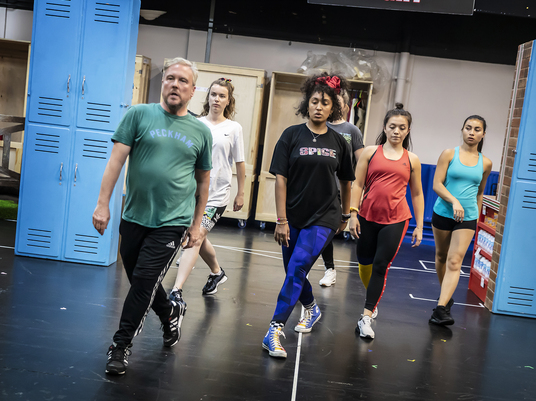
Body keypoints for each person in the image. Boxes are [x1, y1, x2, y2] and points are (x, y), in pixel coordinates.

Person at [92, 57, 212, 375]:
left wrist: (197, 224)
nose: (175, 84)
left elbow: (203, 181)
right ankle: (169, 312)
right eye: (170, 78)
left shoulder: (201, 132)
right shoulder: (139, 115)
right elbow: (115, 162)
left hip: (171, 222)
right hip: (134, 216)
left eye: (182, 81)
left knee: (143, 282)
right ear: (163, 83)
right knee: (139, 279)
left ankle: (120, 347)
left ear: (193, 90)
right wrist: (103, 204)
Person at [263, 74, 355, 358]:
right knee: (293, 270)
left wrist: (345, 215)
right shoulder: (291, 135)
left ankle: (274, 330)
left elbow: (346, 182)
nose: (318, 107)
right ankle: (312, 308)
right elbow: (280, 179)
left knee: (298, 267)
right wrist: (281, 219)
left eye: (325, 103)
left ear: (333, 109)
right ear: (307, 104)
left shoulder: (340, 142)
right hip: (292, 216)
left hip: (324, 216)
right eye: (314, 101)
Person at [349, 103, 425, 339]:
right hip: (367, 216)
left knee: (381, 266)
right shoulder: (370, 153)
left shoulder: (412, 159)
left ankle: (366, 316)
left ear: (408, 130)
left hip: (396, 220)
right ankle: (373, 298)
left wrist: (420, 226)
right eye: (392, 126)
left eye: (402, 128)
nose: (396, 131)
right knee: (365, 262)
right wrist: (352, 214)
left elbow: (417, 194)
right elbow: (357, 184)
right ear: (385, 127)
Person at [170, 78, 245, 300]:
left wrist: (241, 192)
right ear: (208, 97)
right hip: (191, 192)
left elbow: (240, 163)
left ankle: (177, 289)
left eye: (222, 96)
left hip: (217, 196)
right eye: (213, 94)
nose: (217, 99)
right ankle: (217, 272)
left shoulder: (234, 128)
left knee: (197, 235)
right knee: (195, 235)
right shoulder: (196, 124)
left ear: (228, 100)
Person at [430, 115, 492, 325]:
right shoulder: (449, 154)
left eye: (477, 129)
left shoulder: (486, 163)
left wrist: (475, 213)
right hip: (443, 212)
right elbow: (437, 184)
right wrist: (454, 201)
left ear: (483, 134)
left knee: (455, 261)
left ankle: (440, 308)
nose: (472, 132)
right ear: (462, 130)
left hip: (467, 218)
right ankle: (445, 297)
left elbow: (480, 192)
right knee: (441, 256)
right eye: (468, 128)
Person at [319, 89, 364, 287]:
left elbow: (361, 162)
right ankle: (325, 268)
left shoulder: (351, 131)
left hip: (339, 191)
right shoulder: (318, 126)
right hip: (317, 189)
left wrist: (359, 191)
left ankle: (330, 270)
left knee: (328, 230)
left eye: (338, 102)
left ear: (345, 106)